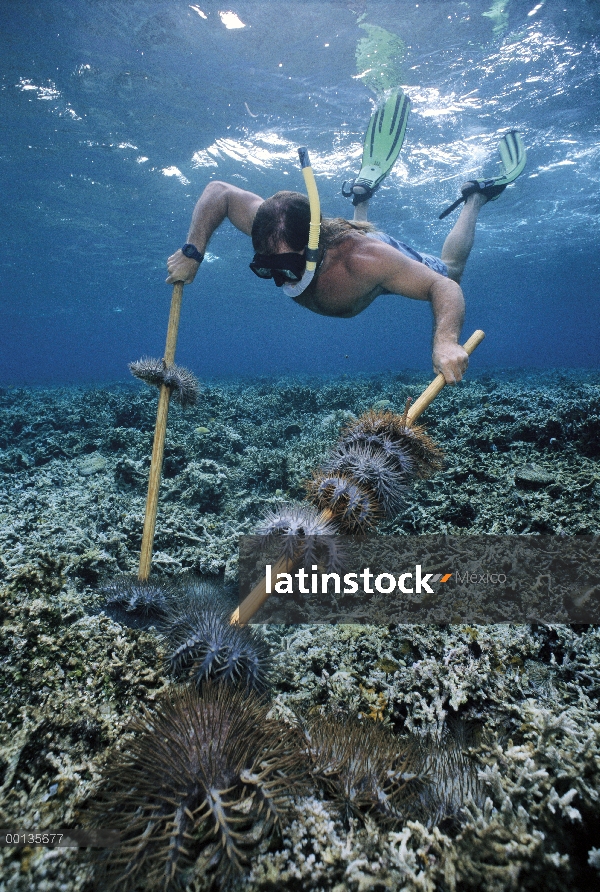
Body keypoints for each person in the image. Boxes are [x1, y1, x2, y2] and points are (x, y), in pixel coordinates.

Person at [166, 180, 496, 385]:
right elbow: (219, 192)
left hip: (373, 251)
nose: (282, 279)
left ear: (315, 245)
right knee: (362, 244)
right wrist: (193, 252)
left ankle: (475, 198)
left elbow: (445, 288)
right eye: (268, 269)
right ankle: (361, 198)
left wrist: (446, 341)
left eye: (288, 267)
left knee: (452, 269)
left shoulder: (364, 260)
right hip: (345, 247)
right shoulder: (273, 226)